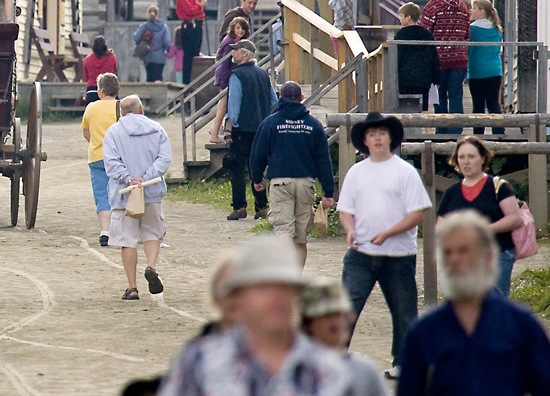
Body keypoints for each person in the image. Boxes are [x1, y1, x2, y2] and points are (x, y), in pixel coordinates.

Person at [159, 237, 382, 396]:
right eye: (262, 288)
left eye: (285, 288)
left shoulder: (338, 372)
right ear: (238, 298)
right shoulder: (200, 363)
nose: (276, 298)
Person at [396, 211, 550, 396]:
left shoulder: (520, 325)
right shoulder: (423, 332)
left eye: (463, 250)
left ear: (488, 256)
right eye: (447, 252)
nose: (454, 260)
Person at [337, 112, 432, 378]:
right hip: (361, 254)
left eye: (382, 133)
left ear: (390, 138)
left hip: (398, 254)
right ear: (365, 141)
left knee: (404, 311)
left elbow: (417, 214)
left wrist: (389, 233)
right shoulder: (356, 172)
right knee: (346, 307)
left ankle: (404, 363)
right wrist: (350, 229)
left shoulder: (405, 172)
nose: (377, 138)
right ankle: (334, 359)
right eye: (372, 134)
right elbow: (345, 210)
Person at [250, 81, 335, 267]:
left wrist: (257, 178)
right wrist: (328, 191)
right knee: (300, 238)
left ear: (280, 98)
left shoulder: (270, 123)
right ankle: (296, 279)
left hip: (281, 183)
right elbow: (323, 159)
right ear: (301, 99)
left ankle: (286, 276)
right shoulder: (313, 125)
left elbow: (258, 153)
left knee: (284, 230)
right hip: (306, 183)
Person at [102, 94, 171, 300]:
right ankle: (151, 266)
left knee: (127, 240)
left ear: (121, 112)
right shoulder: (157, 129)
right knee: (152, 233)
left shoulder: (113, 132)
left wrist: (129, 179)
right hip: (151, 191)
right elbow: (164, 159)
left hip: (124, 194)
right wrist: (145, 178)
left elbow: (111, 162)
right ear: (141, 109)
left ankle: (132, 288)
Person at [435, 135, 523, 296]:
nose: (466, 161)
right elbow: (439, 226)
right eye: (461, 157)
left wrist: (483, 229)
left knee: (494, 304)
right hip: (463, 258)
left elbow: (515, 218)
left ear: (482, 158)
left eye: (471, 156)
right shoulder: (452, 192)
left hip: (497, 252)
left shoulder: (498, 187)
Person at [301, 278, 389, 395]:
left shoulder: (364, 372)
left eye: (338, 314)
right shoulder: (295, 371)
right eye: (325, 315)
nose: (334, 322)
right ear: (308, 323)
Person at [222, 40, 274, 221]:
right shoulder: (263, 74)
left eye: (235, 51)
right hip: (260, 128)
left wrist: (229, 127)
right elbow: (274, 100)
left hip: (241, 129)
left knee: (237, 168)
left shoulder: (237, 75)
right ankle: (261, 206)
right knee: (257, 168)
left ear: (244, 54)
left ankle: (239, 207)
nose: (233, 53)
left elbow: (234, 106)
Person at [419, 0, 470, 130]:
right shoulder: (462, 5)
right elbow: (467, 34)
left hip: (439, 60)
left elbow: (425, 32)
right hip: (460, 58)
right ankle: (456, 131)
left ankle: (441, 132)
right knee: (456, 95)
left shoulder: (433, 6)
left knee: (440, 97)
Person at [81, 73, 122, 246]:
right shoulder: (121, 107)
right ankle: (121, 230)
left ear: (101, 90)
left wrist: (97, 143)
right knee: (120, 194)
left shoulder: (91, 107)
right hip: (119, 159)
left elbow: (86, 132)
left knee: (101, 195)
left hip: (97, 157)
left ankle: (105, 232)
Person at [207, 17, 252, 138]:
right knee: (223, 103)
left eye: (243, 28)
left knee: (225, 103)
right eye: (238, 28)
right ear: (232, 28)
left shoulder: (237, 41)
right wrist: (225, 81)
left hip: (227, 74)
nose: (241, 31)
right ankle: (215, 132)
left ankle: (218, 130)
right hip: (225, 75)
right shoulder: (229, 42)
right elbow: (225, 63)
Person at [394, 2, 440, 111]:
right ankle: (428, 128)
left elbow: (397, 57)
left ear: (408, 17)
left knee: (406, 105)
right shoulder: (427, 34)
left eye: (401, 16)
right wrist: (436, 78)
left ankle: (408, 127)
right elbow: (434, 57)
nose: (400, 19)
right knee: (423, 106)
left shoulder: (401, 35)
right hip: (424, 77)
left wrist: (394, 76)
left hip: (405, 77)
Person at [467, 0, 504, 133]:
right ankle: (499, 132)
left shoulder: (472, 30)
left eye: (473, 8)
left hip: (477, 71)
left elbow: (469, 52)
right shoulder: (497, 29)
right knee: (494, 103)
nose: (471, 11)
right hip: (495, 71)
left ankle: (478, 135)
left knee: (478, 105)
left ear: (481, 11)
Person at [174, 0, 207, 84]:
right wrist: (201, 5)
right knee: (189, 56)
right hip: (189, 28)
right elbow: (190, 11)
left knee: (194, 54)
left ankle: (192, 80)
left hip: (195, 26)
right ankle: (187, 82)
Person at [134, 6, 173, 82]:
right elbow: (167, 42)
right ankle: (158, 93)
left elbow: (135, 38)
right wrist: (168, 51)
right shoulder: (163, 27)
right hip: (160, 57)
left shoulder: (144, 26)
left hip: (147, 56)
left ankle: (149, 93)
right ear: (157, 14)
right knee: (158, 77)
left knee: (149, 77)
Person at [82, 36, 117, 103]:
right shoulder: (112, 57)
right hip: (108, 90)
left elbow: (86, 78)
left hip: (91, 91)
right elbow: (114, 71)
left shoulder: (87, 59)